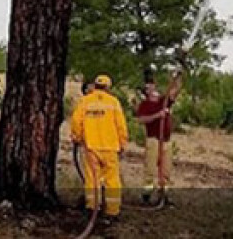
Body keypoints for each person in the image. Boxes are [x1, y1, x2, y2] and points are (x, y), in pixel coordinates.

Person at [70, 73, 128, 220]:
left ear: (95, 86)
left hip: (91, 147)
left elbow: (76, 121)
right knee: (112, 180)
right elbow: (121, 125)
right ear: (108, 87)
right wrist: (122, 144)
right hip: (110, 147)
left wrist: (77, 137)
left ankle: (92, 207)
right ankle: (112, 212)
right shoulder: (113, 102)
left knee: (92, 179)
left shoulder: (85, 101)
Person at [134, 69, 182, 204]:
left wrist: (178, 77)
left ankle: (164, 195)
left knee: (166, 169)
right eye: (147, 86)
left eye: (151, 85)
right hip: (153, 140)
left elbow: (175, 91)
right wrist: (157, 116)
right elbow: (141, 120)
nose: (150, 87)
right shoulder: (145, 105)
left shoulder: (163, 100)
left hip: (166, 141)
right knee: (150, 168)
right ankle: (147, 194)